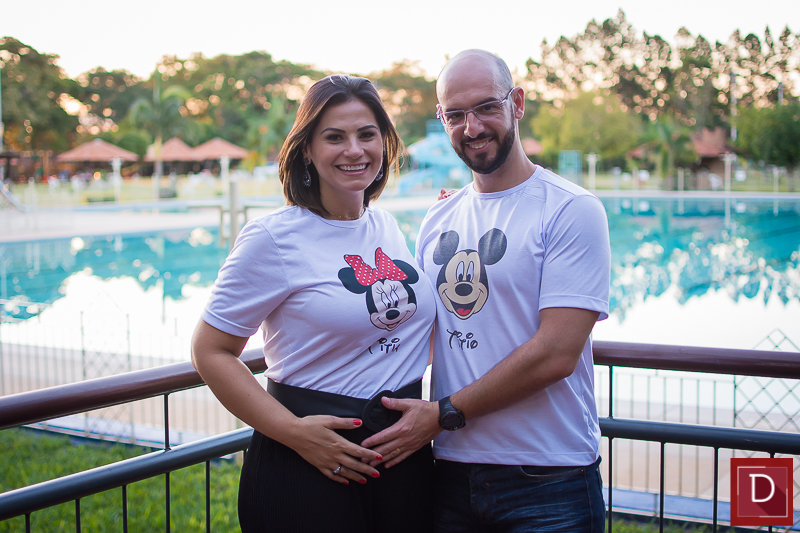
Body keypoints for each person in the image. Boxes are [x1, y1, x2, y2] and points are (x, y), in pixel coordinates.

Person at [362, 50, 611, 532]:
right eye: (455, 115)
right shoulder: (439, 217)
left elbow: (557, 353)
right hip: (450, 471)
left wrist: (443, 413)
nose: (472, 127)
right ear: (442, 119)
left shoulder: (571, 210)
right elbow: (423, 332)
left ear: (517, 103)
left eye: (486, 107)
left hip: (548, 476)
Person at [191, 74, 436, 533]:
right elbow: (210, 351)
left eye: (367, 135)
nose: (354, 150)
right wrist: (294, 433)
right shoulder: (272, 239)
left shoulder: (386, 227)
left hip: (402, 457)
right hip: (310, 460)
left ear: (384, 142)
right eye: (334, 137)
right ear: (307, 148)